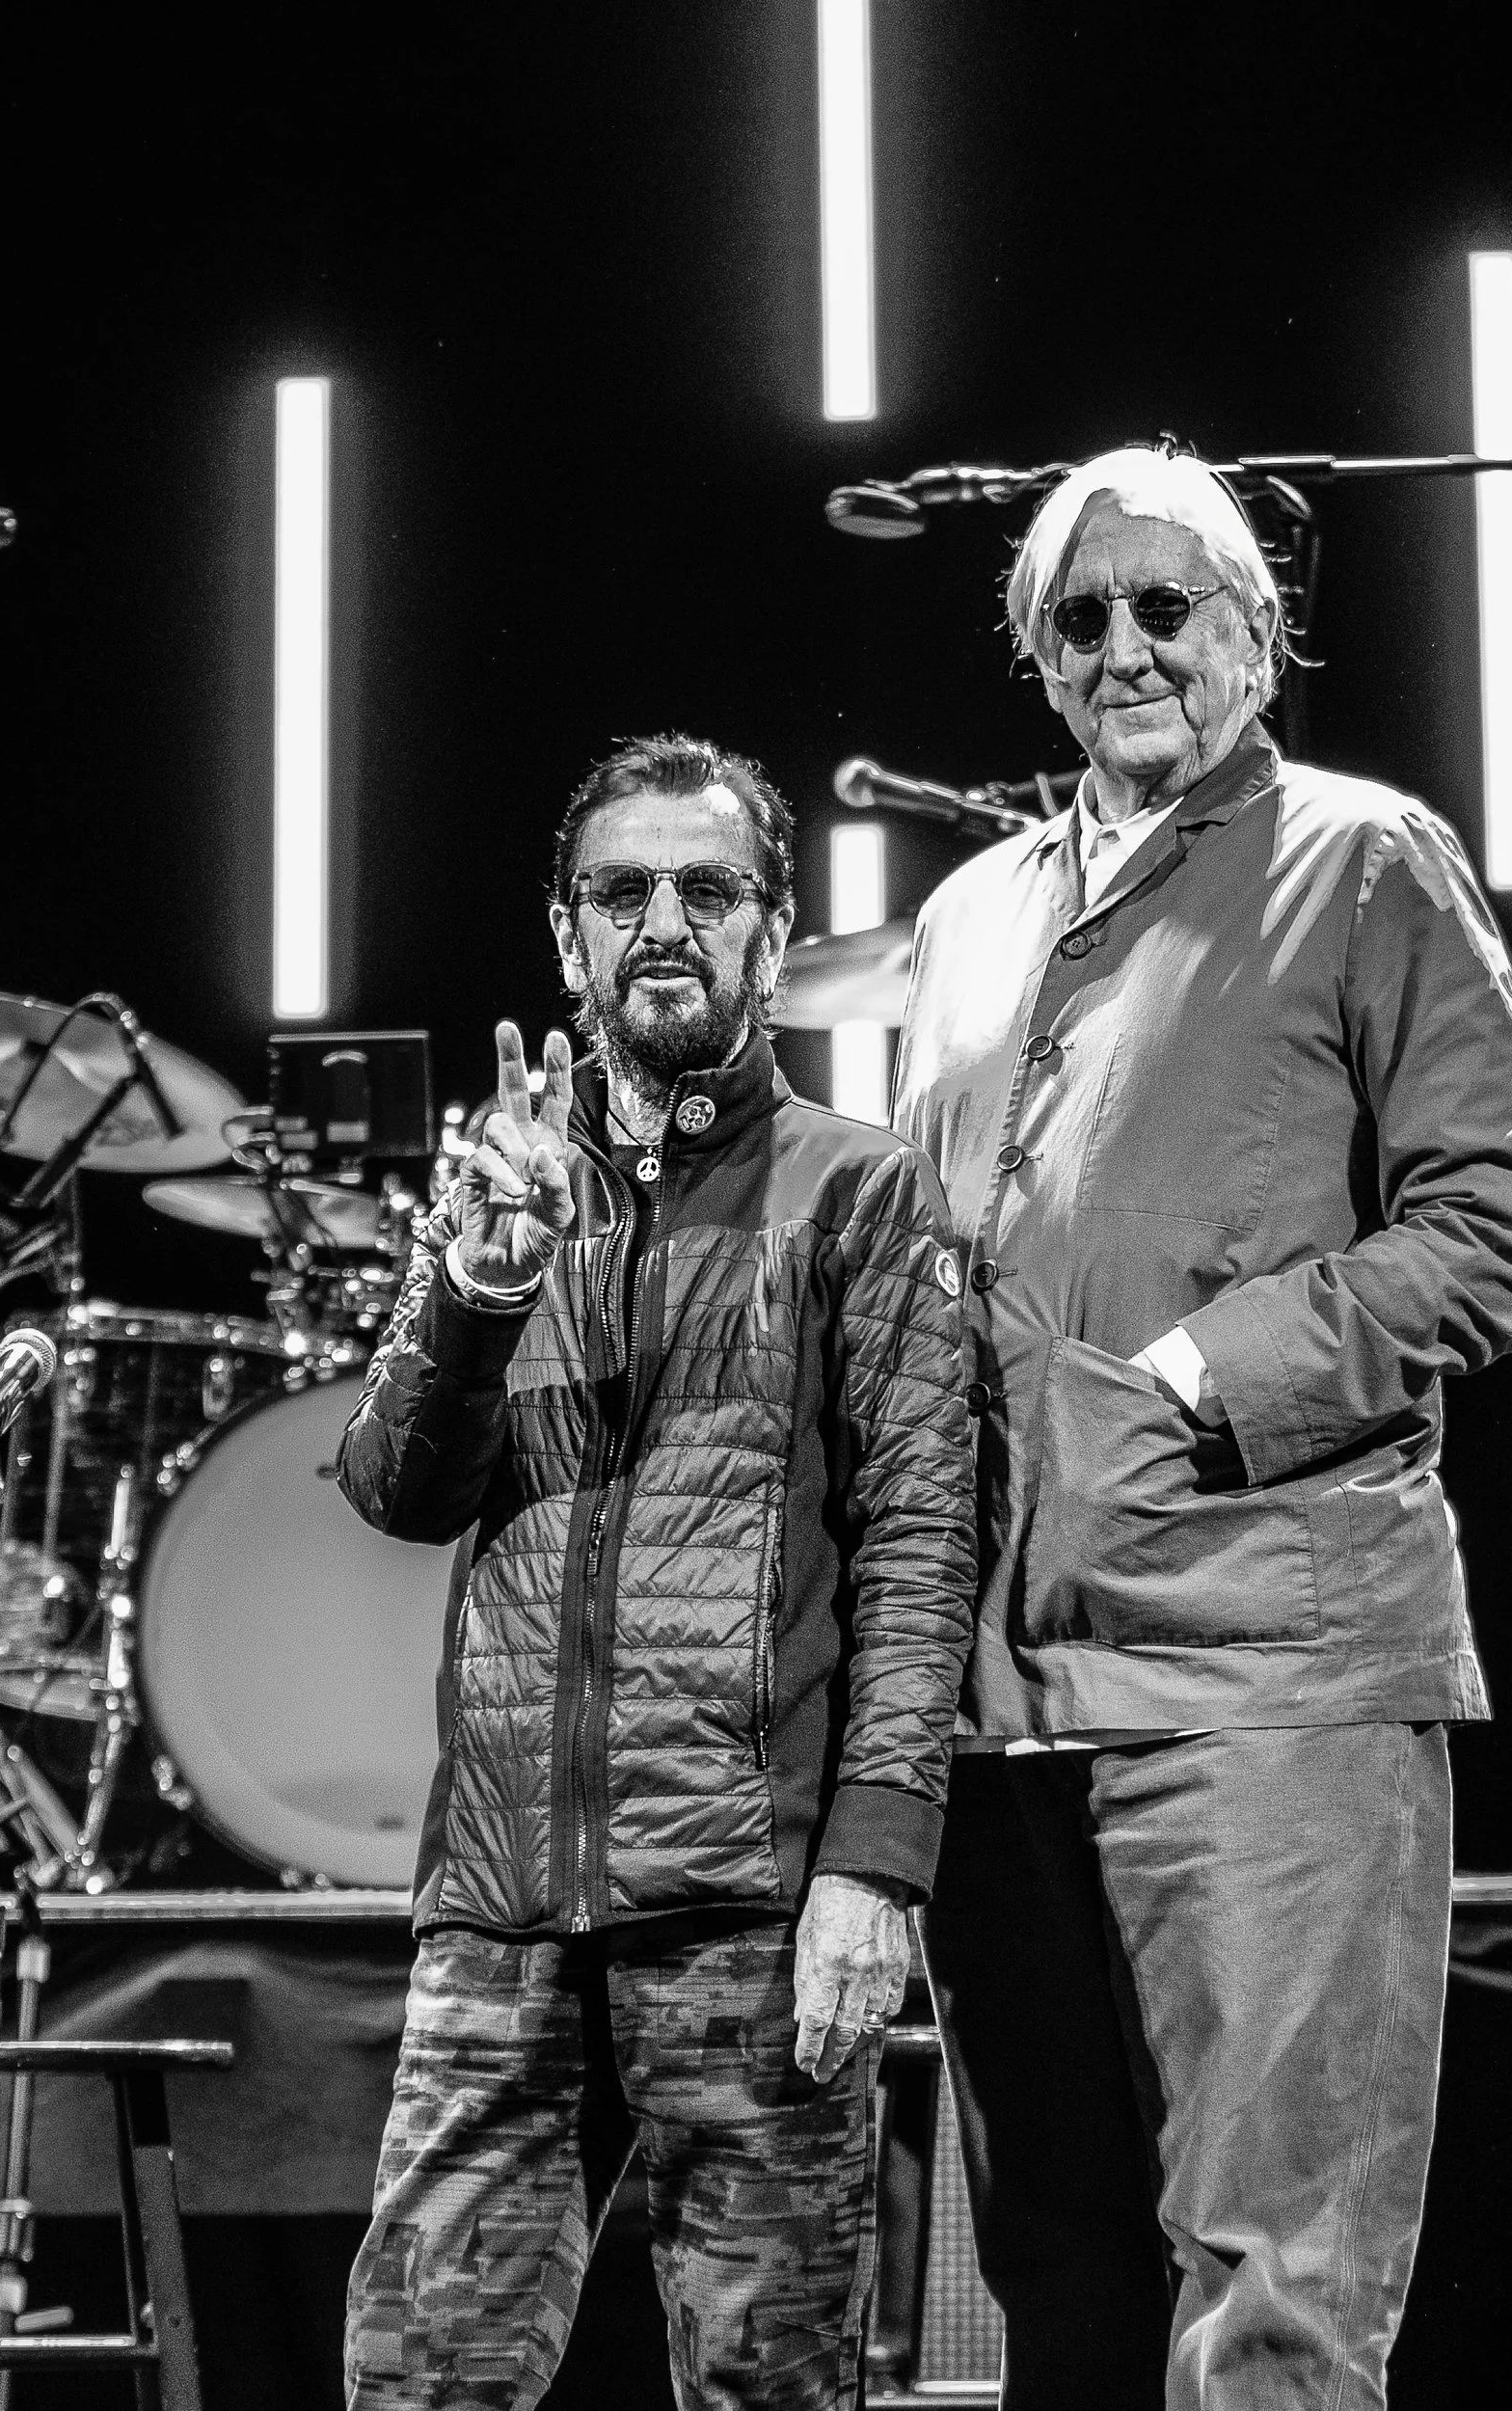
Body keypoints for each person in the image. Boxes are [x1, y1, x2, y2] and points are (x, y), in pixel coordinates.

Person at [890, 447, 1512, 2411]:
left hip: (1267, 1670)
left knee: (1274, 2295)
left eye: (1166, 604)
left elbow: (1499, 1232)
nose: (1125, 646)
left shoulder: (1363, 858)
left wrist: (1203, 1379)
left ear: (1256, 632)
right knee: (1060, 2288)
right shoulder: (967, 913)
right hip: (1003, 1705)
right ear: (1035, 654)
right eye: (1080, 615)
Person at [340, 731, 978, 2410]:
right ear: (569, 937)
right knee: (416, 2384)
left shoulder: (858, 1190)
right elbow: (396, 1492)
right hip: (500, 1913)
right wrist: (477, 1293)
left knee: (770, 2394)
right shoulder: (501, 1186)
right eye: (622, 893)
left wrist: (877, 1866)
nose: (666, 924)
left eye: (710, 889)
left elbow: (922, 1546)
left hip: (749, 1915)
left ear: (775, 934)